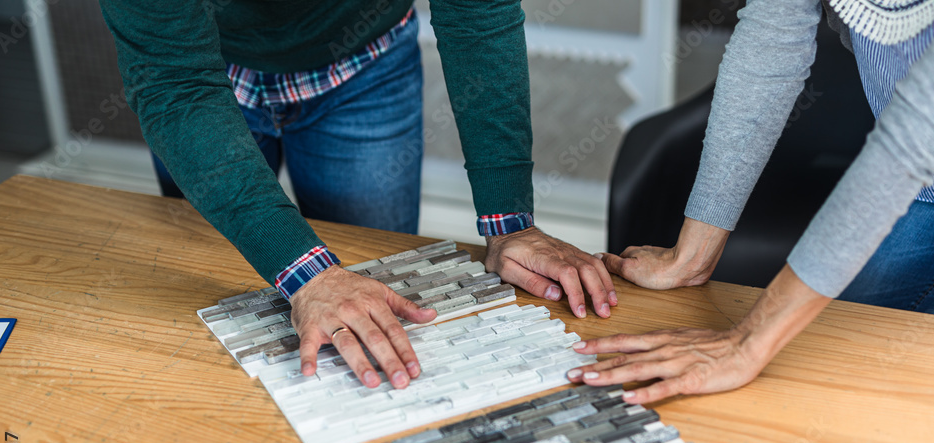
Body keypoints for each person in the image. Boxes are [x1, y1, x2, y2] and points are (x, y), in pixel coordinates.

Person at [98, 0, 617, 391]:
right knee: (217, 313)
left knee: (376, 285)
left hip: (362, 61)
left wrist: (510, 222)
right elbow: (174, 83)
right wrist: (305, 273)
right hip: (203, 73)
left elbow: (477, 13)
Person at [568, 0, 934, 403]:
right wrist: (692, 255)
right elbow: (773, 39)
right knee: (812, 360)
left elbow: (924, 125)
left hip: (927, 145)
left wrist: (747, 343)